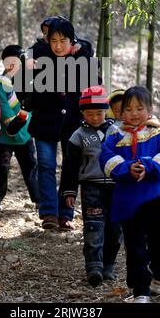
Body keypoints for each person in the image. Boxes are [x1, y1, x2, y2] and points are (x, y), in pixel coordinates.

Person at [100, 86, 160, 303]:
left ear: (150, 109)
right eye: (128, 109)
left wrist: (150, 166)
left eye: (139, 108)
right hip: (128, 202)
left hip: (156, 199)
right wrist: (126, 168)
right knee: (135, 247)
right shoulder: (116, 136)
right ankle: (140, 291)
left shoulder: (159, 133)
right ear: (121, 112)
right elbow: (105, 158)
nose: (134, 113)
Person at [28, 18, 100, 231]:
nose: (58, 45)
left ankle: (66, 214)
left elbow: (95, 87)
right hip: (44, 120)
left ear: (72, 40)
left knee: (71, 167)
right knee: (46, 165)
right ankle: (49, 212)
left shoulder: (83, 58)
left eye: (63, 40)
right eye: (53, 40)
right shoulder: (39, 56)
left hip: (73, 123)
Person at [60, 86, 122, 287]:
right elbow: (70, 166)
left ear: (106, 111)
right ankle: (94, 267)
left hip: (116, 187)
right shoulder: (78, 135)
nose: (95, 117)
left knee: (114, 228)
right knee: (93, 225)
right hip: (91, 187)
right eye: (89, 113)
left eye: (99, 113)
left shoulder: (117, 132)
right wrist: (69, 191)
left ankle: (108, 266)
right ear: (82, 113)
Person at [0, 45, 40, 210]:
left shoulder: (28, 81)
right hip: (6, 135)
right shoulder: (0, 83)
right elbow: (3, 108)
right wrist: (13, 123)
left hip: (25, 134)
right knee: (2, 167)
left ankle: (39, 200)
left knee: (31, 166)